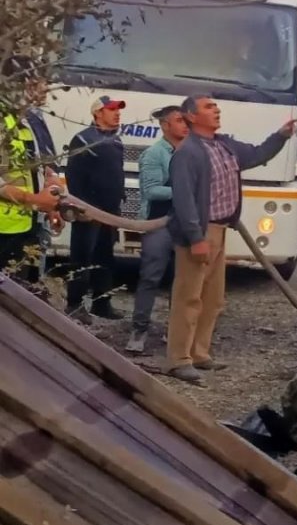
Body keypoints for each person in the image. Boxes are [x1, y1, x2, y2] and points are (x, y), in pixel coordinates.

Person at [166, 95, 295, 385]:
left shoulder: (224, 145)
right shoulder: (188, 153)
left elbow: (258, 154)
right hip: (200, 231)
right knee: (189, 297)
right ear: (191, 116)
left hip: (221, 229)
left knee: (212, 298)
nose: (216, 110)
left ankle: (199, 353)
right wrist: (196, 237)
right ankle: (178, 360)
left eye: (216, 107)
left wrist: (281, 137)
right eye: (209, 107)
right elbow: (184, 200)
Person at [126, 104, 188, 354]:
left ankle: (174, 332)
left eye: (186, 120)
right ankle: (138, 330)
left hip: (184, 224)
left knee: (182, 280)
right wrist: (186, 192)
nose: (185, 124)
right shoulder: (154, 154)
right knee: (150, 277)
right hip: (158, 223)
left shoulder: (190, 153)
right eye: (179, 120)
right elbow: (150, 190)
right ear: (165, 126)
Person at [0, 57, 64, 289]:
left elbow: (41, 165)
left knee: (21, 295)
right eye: (40, 82)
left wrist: (51, 199)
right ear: (23, 83)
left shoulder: (30, 119)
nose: (46, 88)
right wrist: (36, 200)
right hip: (3, 230)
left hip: (26, 226)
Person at [65, 96, 126, 320]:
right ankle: (74, 304)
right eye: (112, 109)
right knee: (82, 257)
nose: (117, 113)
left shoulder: (116, 141)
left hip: (110, 212)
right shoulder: (83, 139)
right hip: (88, 212)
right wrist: (82, 208)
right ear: (98, 113)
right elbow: (74, 176)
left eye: (118, 110)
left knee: (105, 257)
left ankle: (102, 303)